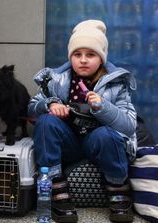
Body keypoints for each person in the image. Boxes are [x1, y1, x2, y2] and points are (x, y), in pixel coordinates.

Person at [28, 20, 137, 222]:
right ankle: (56, 188)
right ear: (71, 57)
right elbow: (32, 108)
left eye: (91, 54)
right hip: (69, 143)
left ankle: (118, 189)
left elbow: (129, 126)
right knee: (45, 122)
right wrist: (50, 103)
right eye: (77, 54)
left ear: (102, 58)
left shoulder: (116, 84)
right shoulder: (56, 79)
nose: (83, 60)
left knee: (106, 134)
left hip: (99, 144)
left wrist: (103, 107)